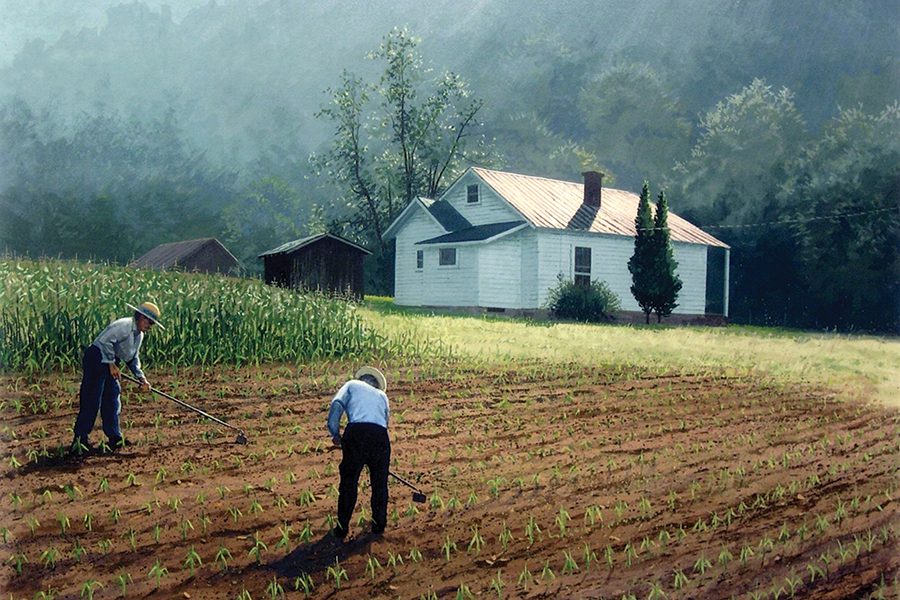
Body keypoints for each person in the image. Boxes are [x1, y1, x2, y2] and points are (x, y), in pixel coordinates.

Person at [71, 302, 164, 454]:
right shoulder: (124, 326)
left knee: (112, 398)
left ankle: (115, 437)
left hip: (110, 362)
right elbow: (104, 342)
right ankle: (79, 440)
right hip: (96, 358)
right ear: (141, 317)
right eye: (149, 322)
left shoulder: (139, 335)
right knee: (92, 400)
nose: (150, 326)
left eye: (152, 324)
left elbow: (132, 358)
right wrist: (111, 364)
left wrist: (141, 378)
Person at [327, 366, 391, 539]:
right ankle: (379, 525)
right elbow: (384, 421)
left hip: (356, 432)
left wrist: (335, 433)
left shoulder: (351, 385)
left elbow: (337, 404)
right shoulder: (382, 396)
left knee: (349, 482)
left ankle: (342, 527)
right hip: (380, 436)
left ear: (362, 379)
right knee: (379, 483)